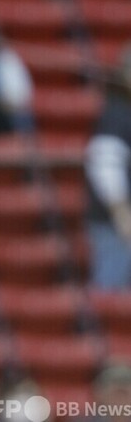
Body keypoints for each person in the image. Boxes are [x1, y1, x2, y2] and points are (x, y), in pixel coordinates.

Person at [84, 43, 131, 291]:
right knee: (110, 293)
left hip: (118, 222)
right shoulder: (117, 113)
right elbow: (105, 163)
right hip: (115, 224)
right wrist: (121, 212)